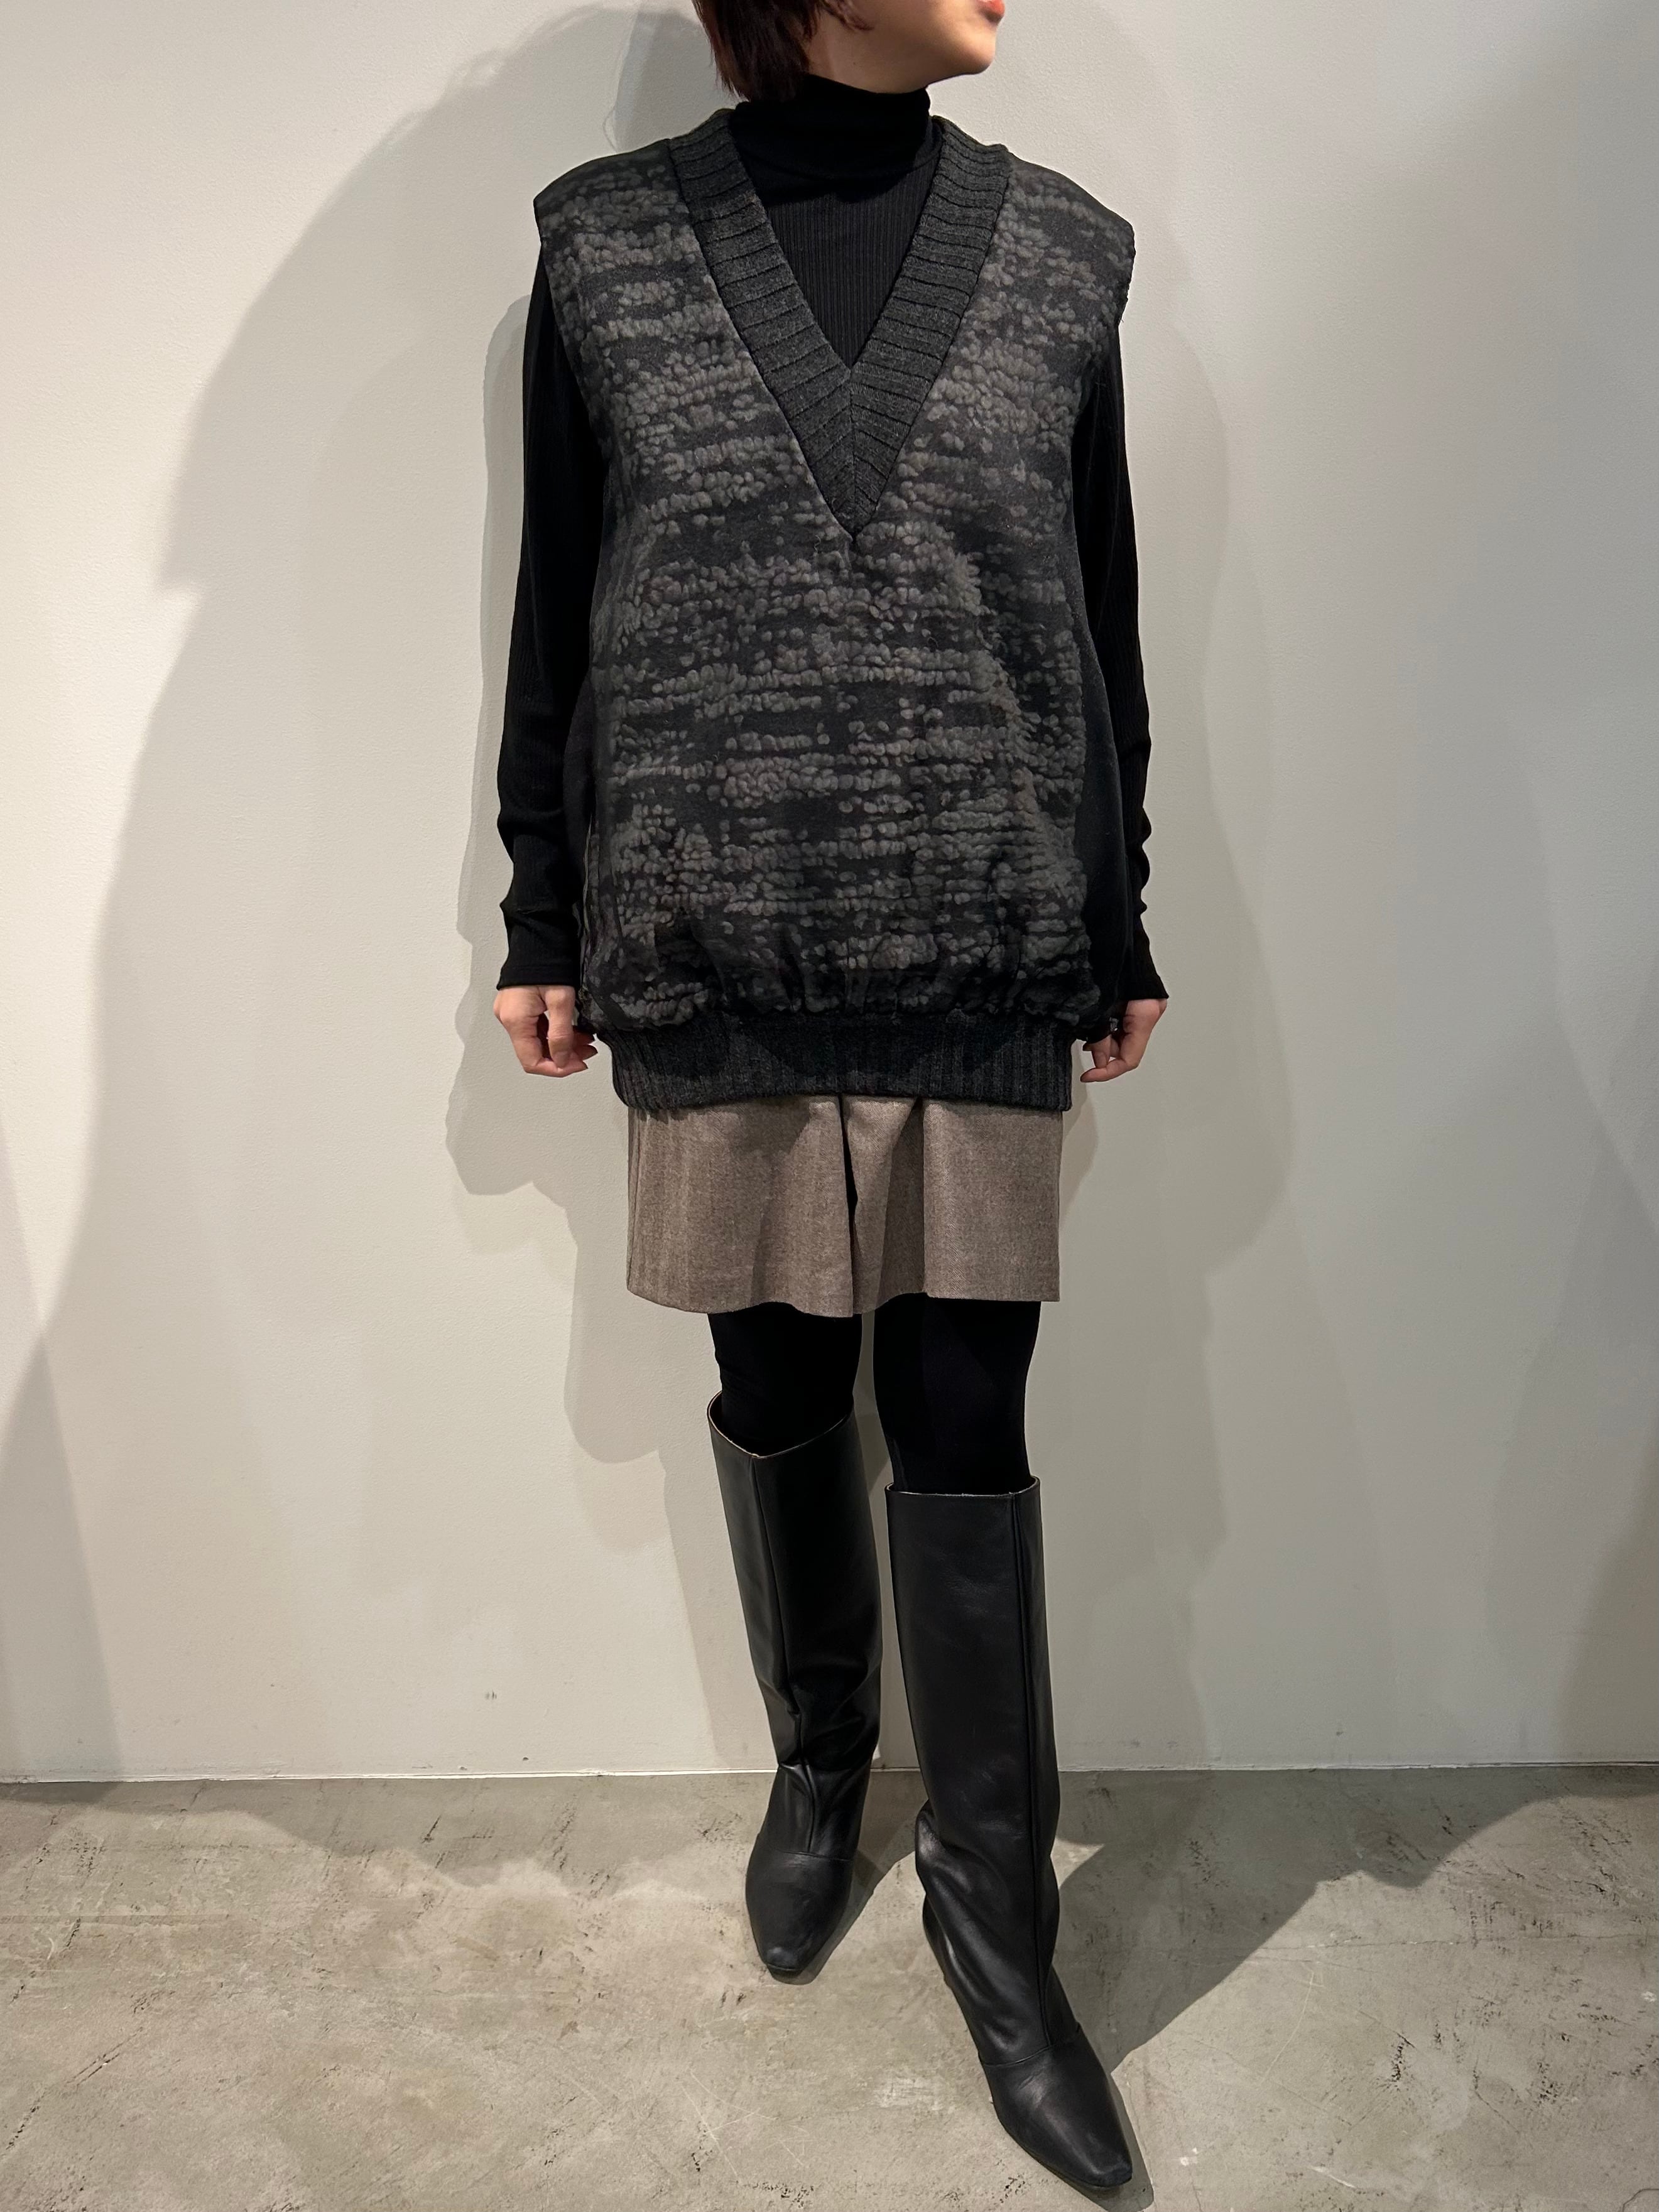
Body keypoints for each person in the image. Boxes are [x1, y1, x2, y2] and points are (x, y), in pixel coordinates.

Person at [492, 0, 1167, 2194]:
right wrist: (541, 907)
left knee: (964, 1417)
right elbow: (562, 609)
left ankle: (995, 1918)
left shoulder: (1060, 255)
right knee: (778, 1389)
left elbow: (1091, 616)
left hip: (976, 937)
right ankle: (818, 1759)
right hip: (721, 940)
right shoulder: (606, 250)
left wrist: (1116, 910)